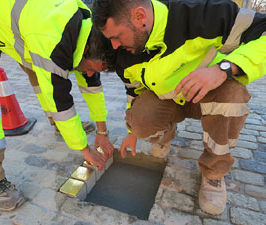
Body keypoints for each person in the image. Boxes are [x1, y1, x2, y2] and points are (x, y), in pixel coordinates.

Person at [91, 0, 266, 215]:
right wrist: (131, 132)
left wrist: (222, 70)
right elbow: (134, 92)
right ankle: (166, 137)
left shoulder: (202, 13)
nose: (114, 45)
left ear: (139, 17)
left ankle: (213, 173)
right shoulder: (125, 53)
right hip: (169, 100)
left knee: (233, 96)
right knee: (139, 121)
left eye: (116, 36)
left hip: (210, 93)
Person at [0, 0, 115, 211]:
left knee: (40, 71)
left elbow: (92, 84)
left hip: (18, 24)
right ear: (87, 48)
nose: (91, 73)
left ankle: (60, 126)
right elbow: (59, 100)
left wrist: (103, 131)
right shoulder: (52, 40)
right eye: (91, 68)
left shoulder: (86, 25)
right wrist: (85, 148)